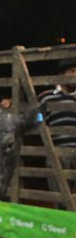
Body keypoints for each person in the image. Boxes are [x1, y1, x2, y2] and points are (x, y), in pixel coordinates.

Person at [37, 57, 76, 196]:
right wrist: (42, 126)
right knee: (60, 196)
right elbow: (37, 117)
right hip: (57, 152)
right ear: (61, 74)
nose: (75, 75)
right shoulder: (47, 97)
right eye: (72, 71)